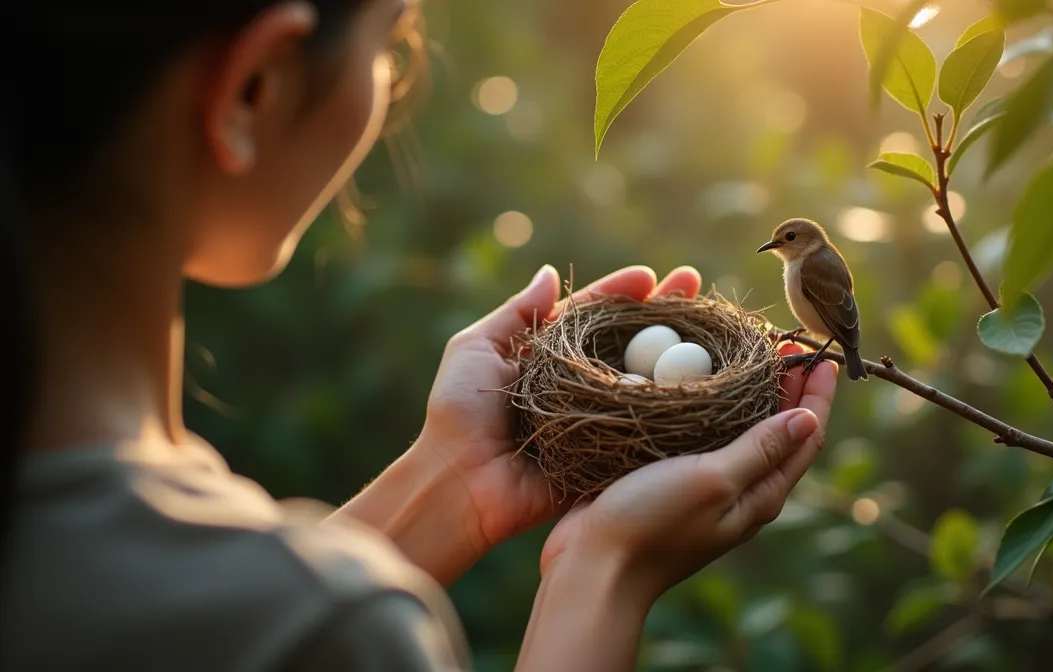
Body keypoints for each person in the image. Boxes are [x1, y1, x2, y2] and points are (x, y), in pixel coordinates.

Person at [0, 1, 840, 670]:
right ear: (257, 86)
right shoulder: (331, 630)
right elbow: (290, 626)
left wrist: (451, 475)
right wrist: (606, 569)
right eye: (391, 45)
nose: (393, 89)